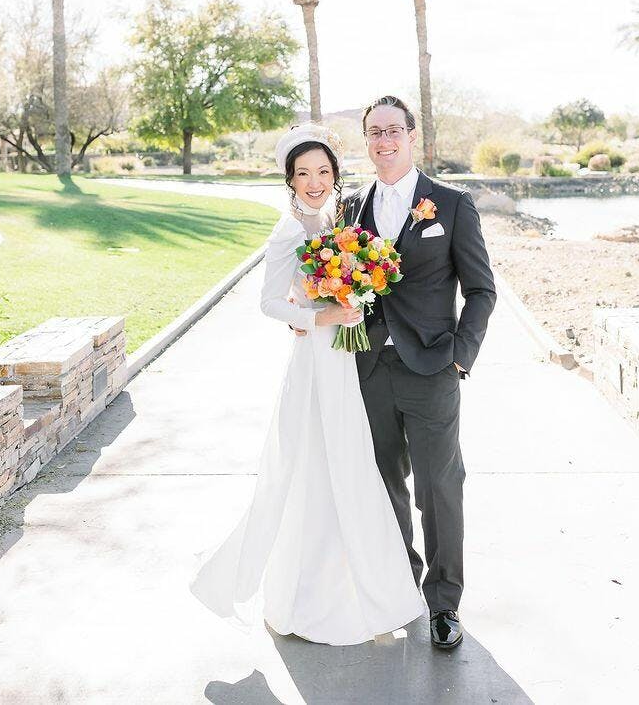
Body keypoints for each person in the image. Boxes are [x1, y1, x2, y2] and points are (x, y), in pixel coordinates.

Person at [189, 123, 425, 645]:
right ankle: (311, 600)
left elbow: (354, 287)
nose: (314, 182)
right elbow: (270, 303)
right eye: (303, 174)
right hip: (316, 363)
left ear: (335, 175)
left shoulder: (340, 221)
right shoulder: (288, 231)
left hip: (348, 359)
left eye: (322, 171)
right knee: (315, 467)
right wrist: (320, 317)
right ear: (290, 180)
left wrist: (355, 298)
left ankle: (365, 588)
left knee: (352, 466)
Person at [343, 95, 496, 650]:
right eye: (374, 132)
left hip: (432, 366)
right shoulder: (351, 208)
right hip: (368, 367)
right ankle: (400, 584)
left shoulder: (451, 205)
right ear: (367, 141)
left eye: (393, 131)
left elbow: (481, 290)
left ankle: (444, 601)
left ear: (412, 136)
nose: (383, 141)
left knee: (439, 486)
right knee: (383, 482)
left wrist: (460, 354)